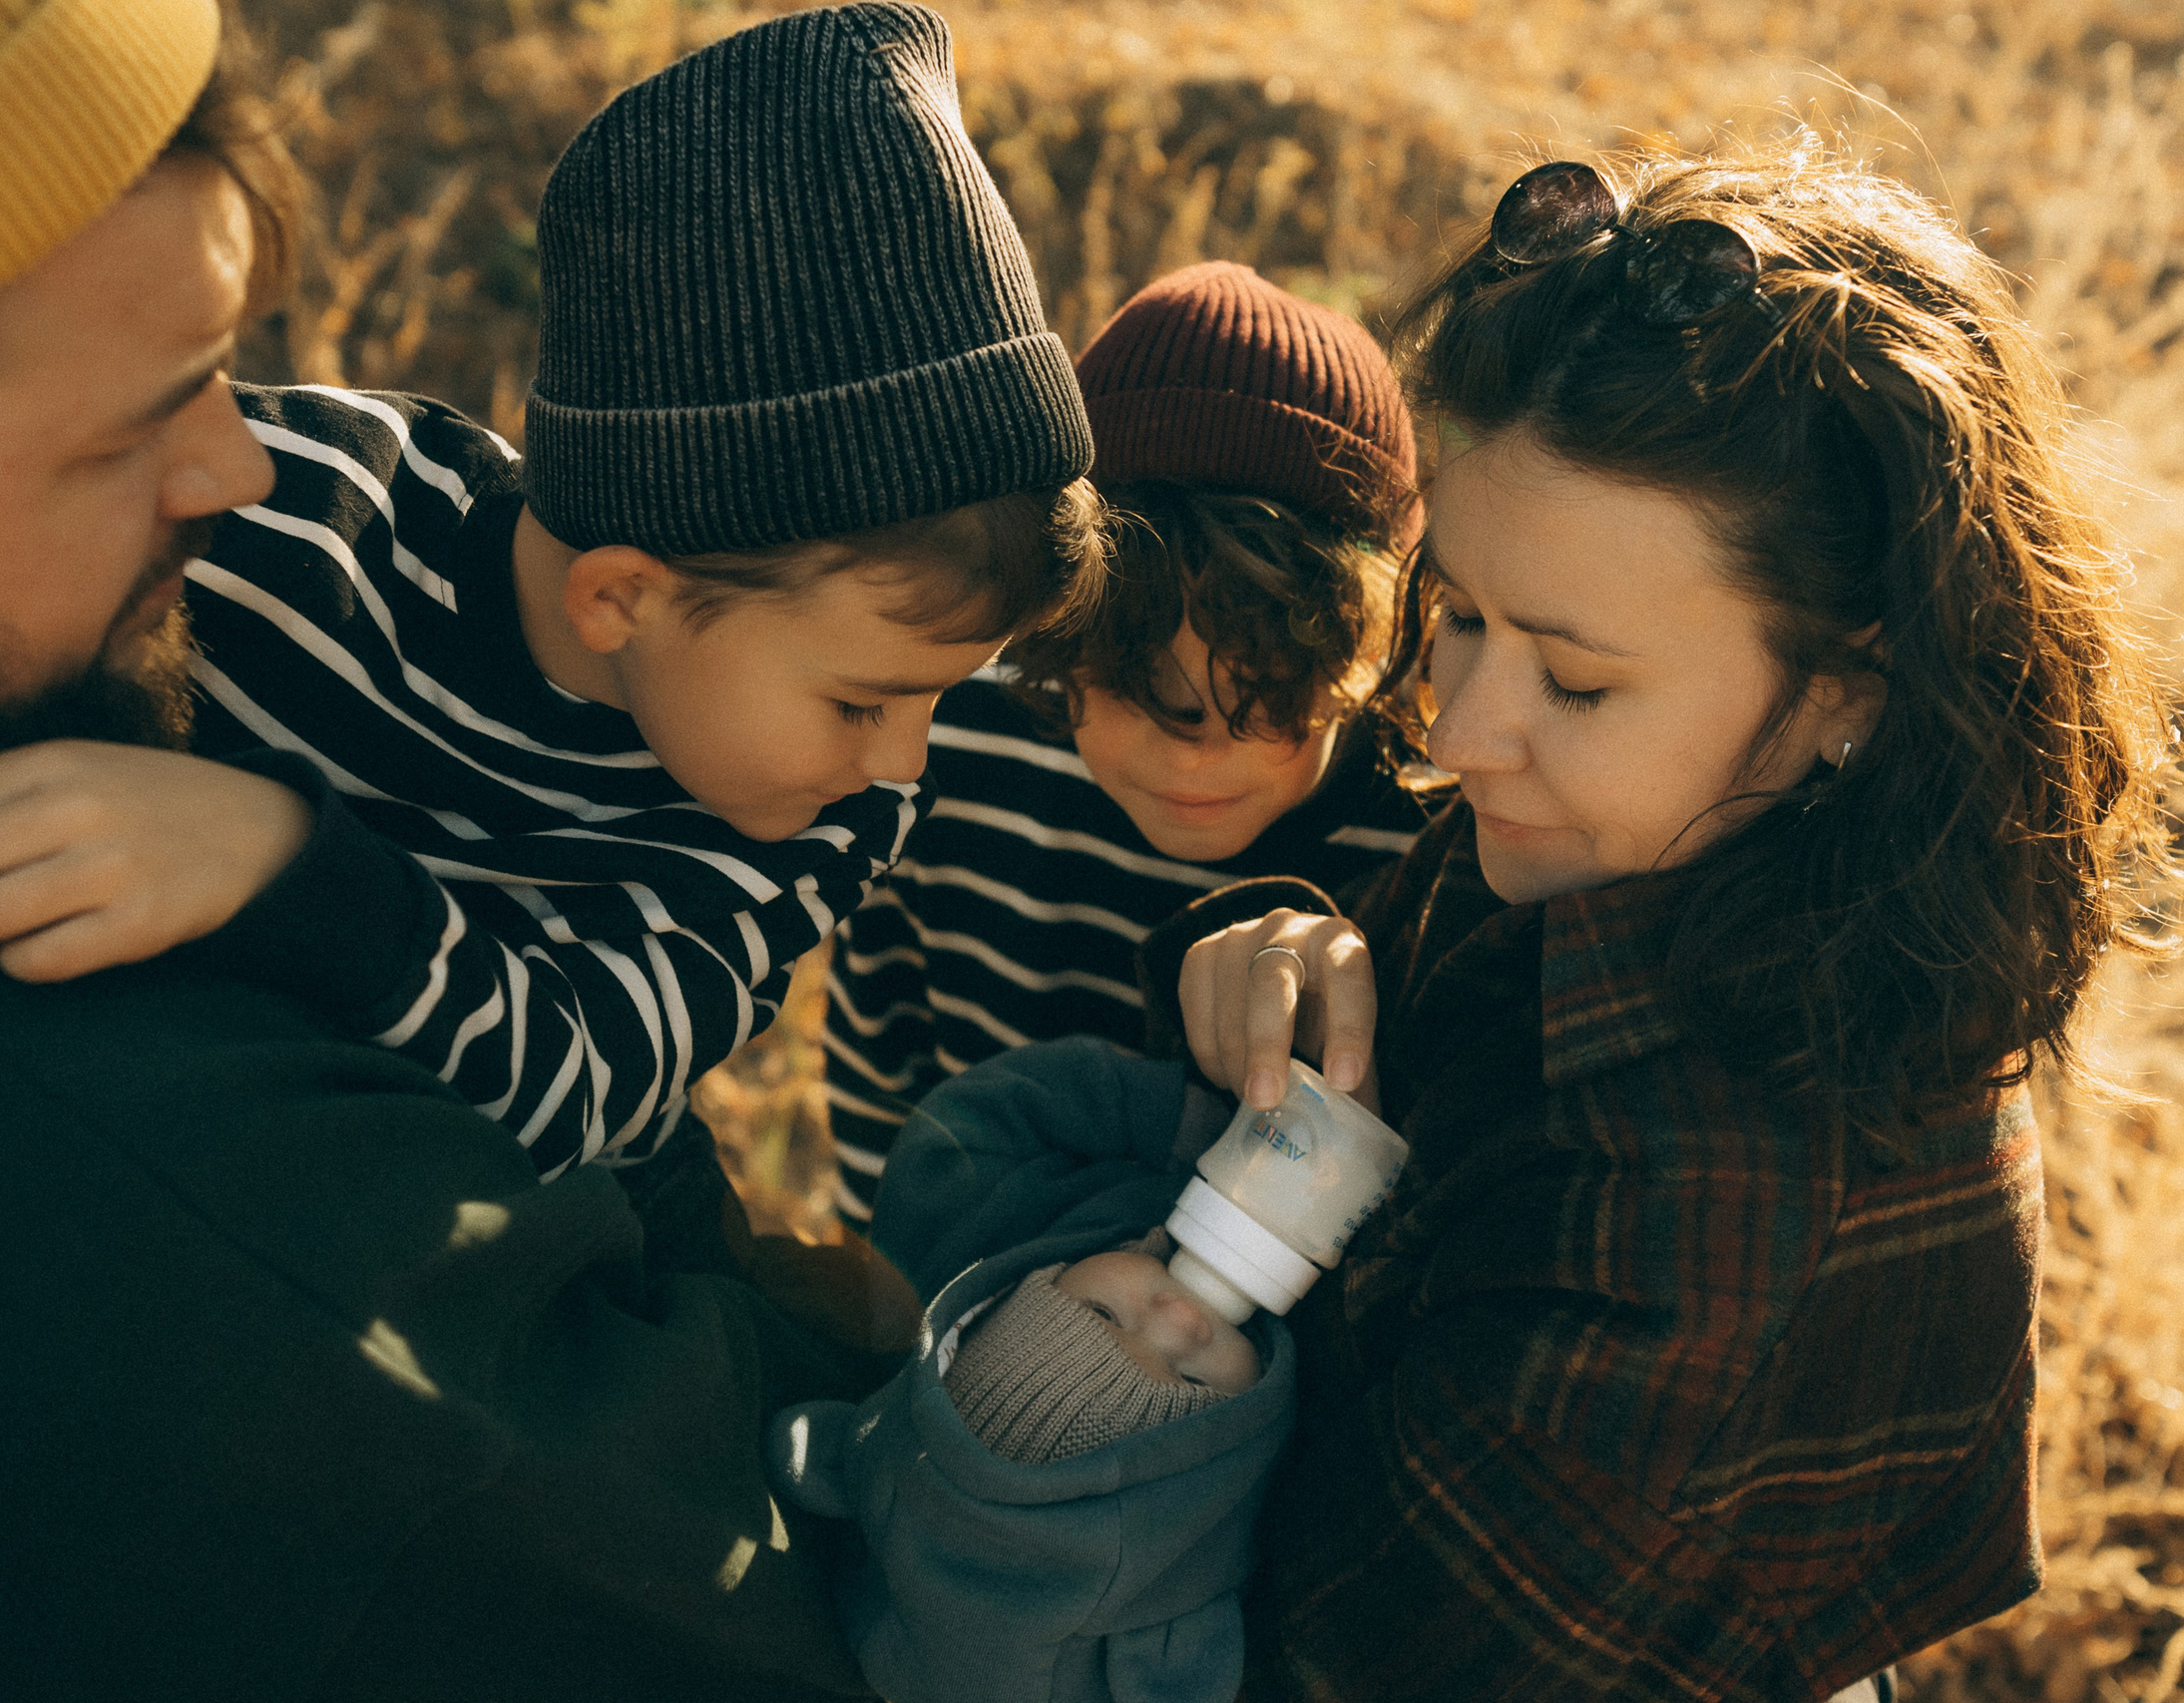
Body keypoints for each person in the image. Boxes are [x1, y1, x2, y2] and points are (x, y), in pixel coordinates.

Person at [0, 1, 1011, 1694]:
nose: (232, 464)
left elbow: (605, 1068)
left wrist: (301, 872)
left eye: (229, 372)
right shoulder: (171, 1239)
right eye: (124, 431)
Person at [1153, 147, 2176, 1698]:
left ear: (1844, 689)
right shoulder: (1675, 838)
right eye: (1464, 614)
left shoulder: (1692, 1234)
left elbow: (1325, 1655)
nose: (1462, 729)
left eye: (1574, 678)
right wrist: (1291, 953)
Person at [817, 261, 1426, 1222]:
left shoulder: (1434, 837)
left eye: (1266, 690)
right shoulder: (947, 753)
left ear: (1365, 650)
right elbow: (879, 1063)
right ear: (1057, 630)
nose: (1192, 754)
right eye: (1139, 683)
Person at [772, 1038, 1298, 1703]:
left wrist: (1183, 1125)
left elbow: (973, 1117)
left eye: (1105, 1313)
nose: (1182, 1319)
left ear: (1016, 1302)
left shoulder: (977, 1241)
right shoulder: (1264, 1482)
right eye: (1192, 1384)